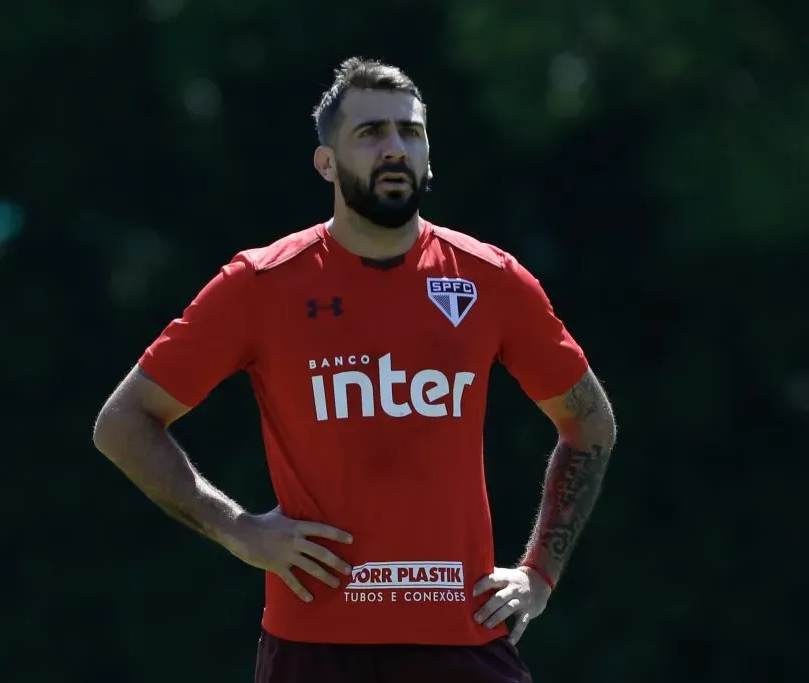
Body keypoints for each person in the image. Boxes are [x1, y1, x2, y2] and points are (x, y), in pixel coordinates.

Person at [92, 57, 617, 683]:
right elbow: (124, 423)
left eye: (410, 132)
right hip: (313, 648)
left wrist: (538, 575)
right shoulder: (262, 284)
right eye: (370, 133)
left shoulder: (491, 280)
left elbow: (589, 424)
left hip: (461, 641)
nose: (395, 148)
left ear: (428, 156)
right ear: (326, 163)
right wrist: (239, 529)